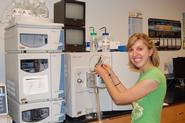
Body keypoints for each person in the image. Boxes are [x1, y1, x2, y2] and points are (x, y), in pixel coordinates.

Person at [95, 33, 167, 123]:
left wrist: (104, 76)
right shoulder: (145, 73)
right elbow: (129, 96)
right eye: (131, 50)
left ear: (150, 51)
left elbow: (118, 99)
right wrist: (112, 75)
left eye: (140, 49)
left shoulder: (153, 77)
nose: (134, 54)